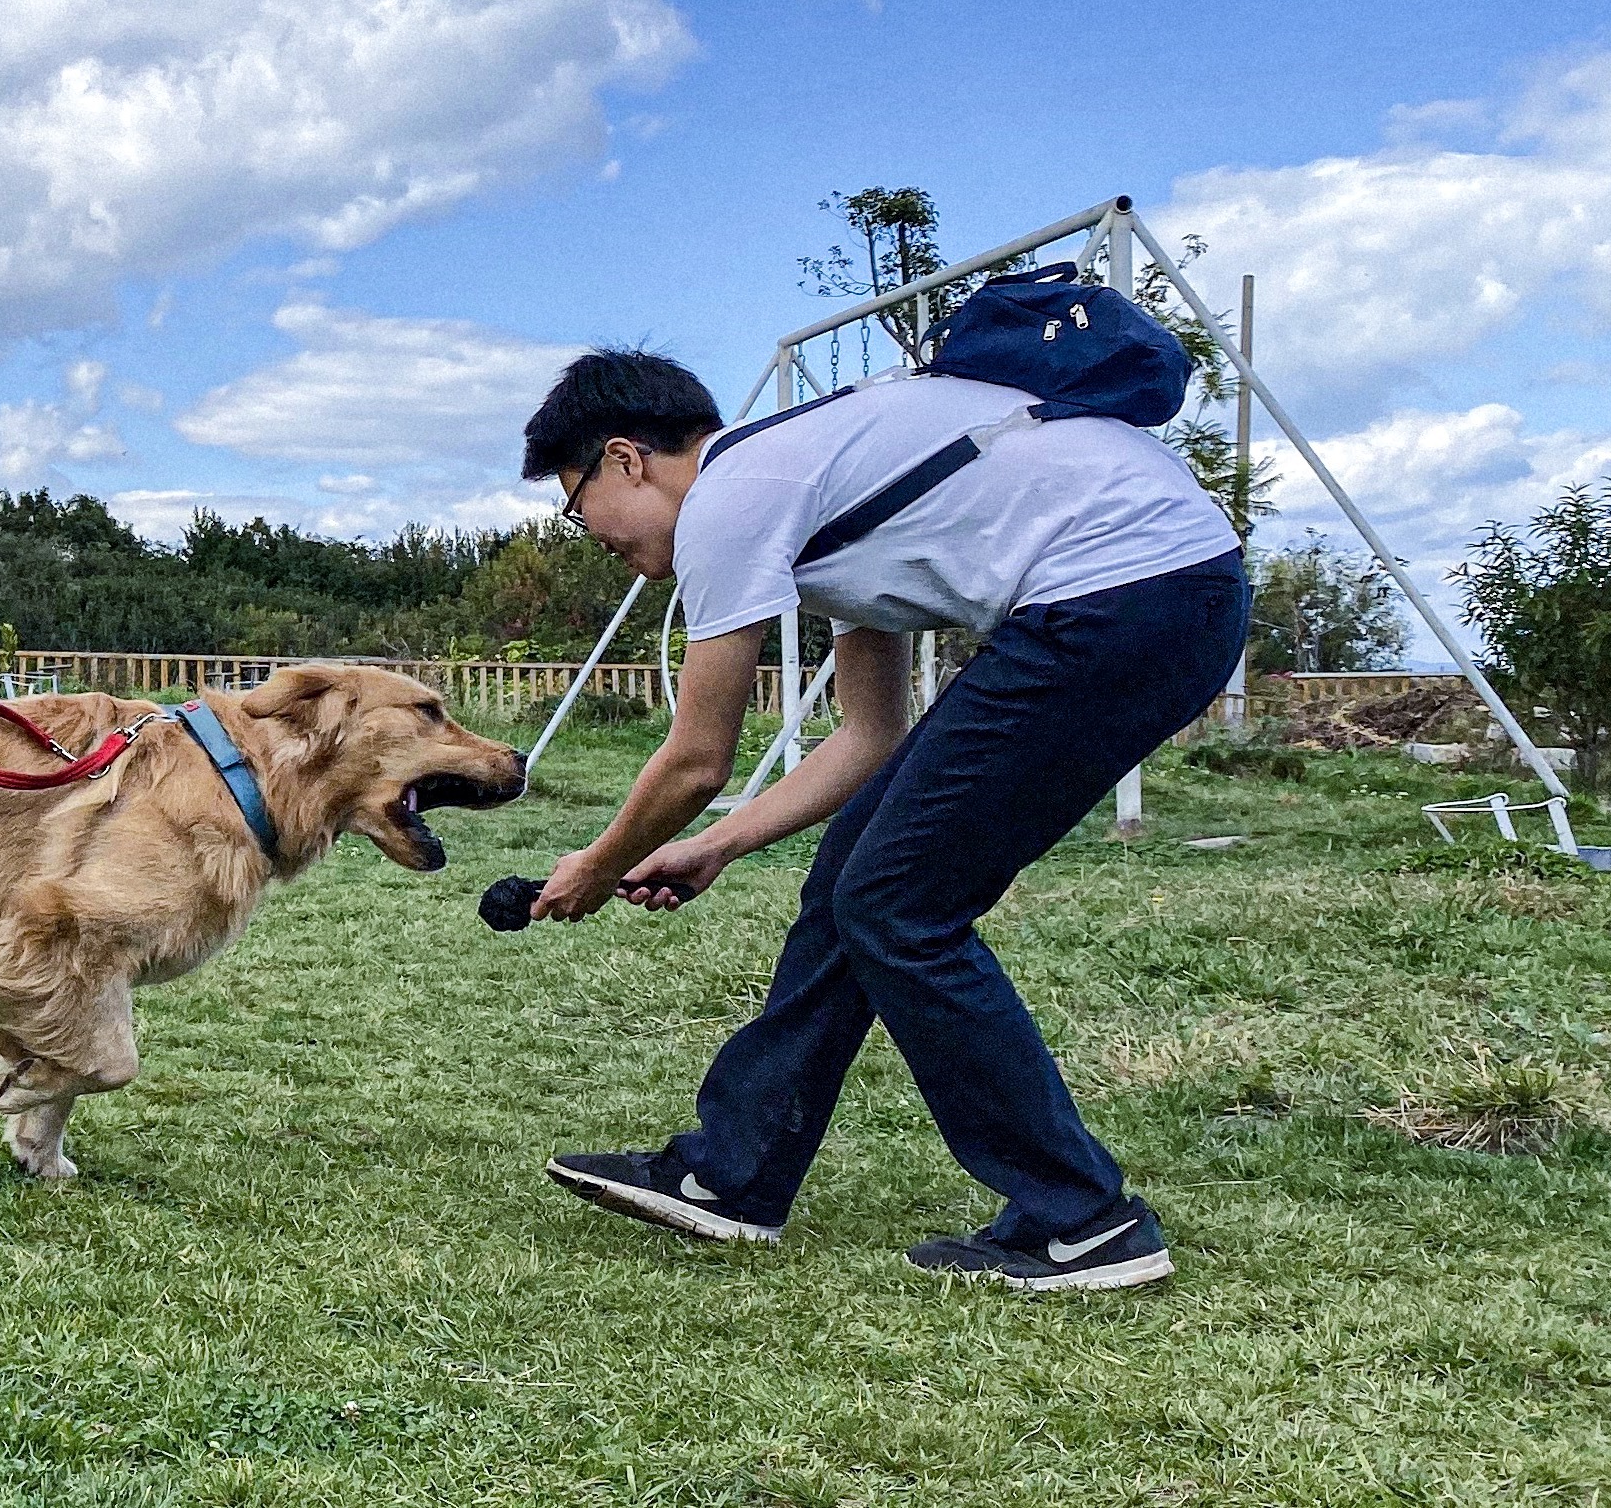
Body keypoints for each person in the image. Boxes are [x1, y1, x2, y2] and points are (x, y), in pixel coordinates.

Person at [522, 346, 1246, 1291]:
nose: (591, 534)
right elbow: (870, 735)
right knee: (853, 879)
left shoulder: (732, 496)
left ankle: (1081, 1221)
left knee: (896, 904)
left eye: (576, 506)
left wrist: (597, 864)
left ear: (624, 459)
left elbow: (698, 759)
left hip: (1122, 595)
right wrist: (719, 846)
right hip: (1158, 592)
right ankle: (732, 1175)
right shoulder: (813, 482)